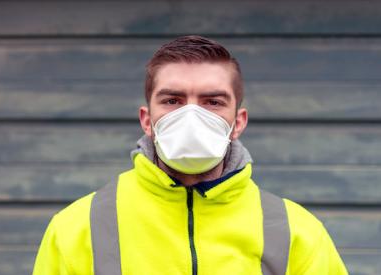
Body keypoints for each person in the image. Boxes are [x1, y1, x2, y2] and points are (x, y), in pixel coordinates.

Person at [32, 35, 348, 275]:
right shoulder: (77, 228)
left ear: (238, 122)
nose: (191, 115)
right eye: (172, 101)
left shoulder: (297, 232)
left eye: (212, 102)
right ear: (147, 120)